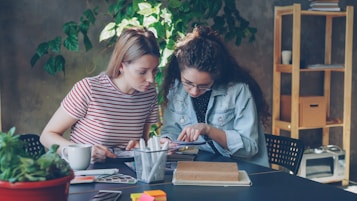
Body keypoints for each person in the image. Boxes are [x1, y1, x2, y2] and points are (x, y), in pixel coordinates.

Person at [40, 27, 160, 163]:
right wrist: (83, 151)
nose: (151, 79)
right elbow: (46, 136)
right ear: (121, 66)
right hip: (86, 175)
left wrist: (140, 147)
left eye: (154, 70)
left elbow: (142, 142)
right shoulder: (89, 89)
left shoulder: (149, 94)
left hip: (127, 177)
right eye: (142, 71)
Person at [159, 26, 270, 167]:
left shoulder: (238, 91)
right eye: (188, 83)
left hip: (246, 170)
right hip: (209, 167)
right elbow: (171, 129)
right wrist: (167, 140)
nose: (193, 91)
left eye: (203, 85)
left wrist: (208, 130)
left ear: (216, 77)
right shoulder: (176, 88)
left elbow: (249, 148)